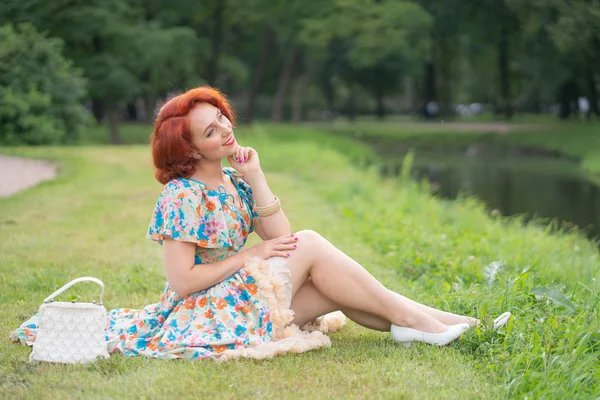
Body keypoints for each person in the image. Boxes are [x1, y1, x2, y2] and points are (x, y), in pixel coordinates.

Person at [10, 86, 510, 361]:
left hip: (245, 299)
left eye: (223, 118)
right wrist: (247, 256)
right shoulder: (182, 195)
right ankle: (430, 325)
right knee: (314, 246)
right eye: (211, 130)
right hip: (204, 310)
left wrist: (256, 175)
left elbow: (280, 240)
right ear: (189, 149)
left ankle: (448, 325)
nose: (225, 129)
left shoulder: (236, 179)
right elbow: (181, 282)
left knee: (337, 285)